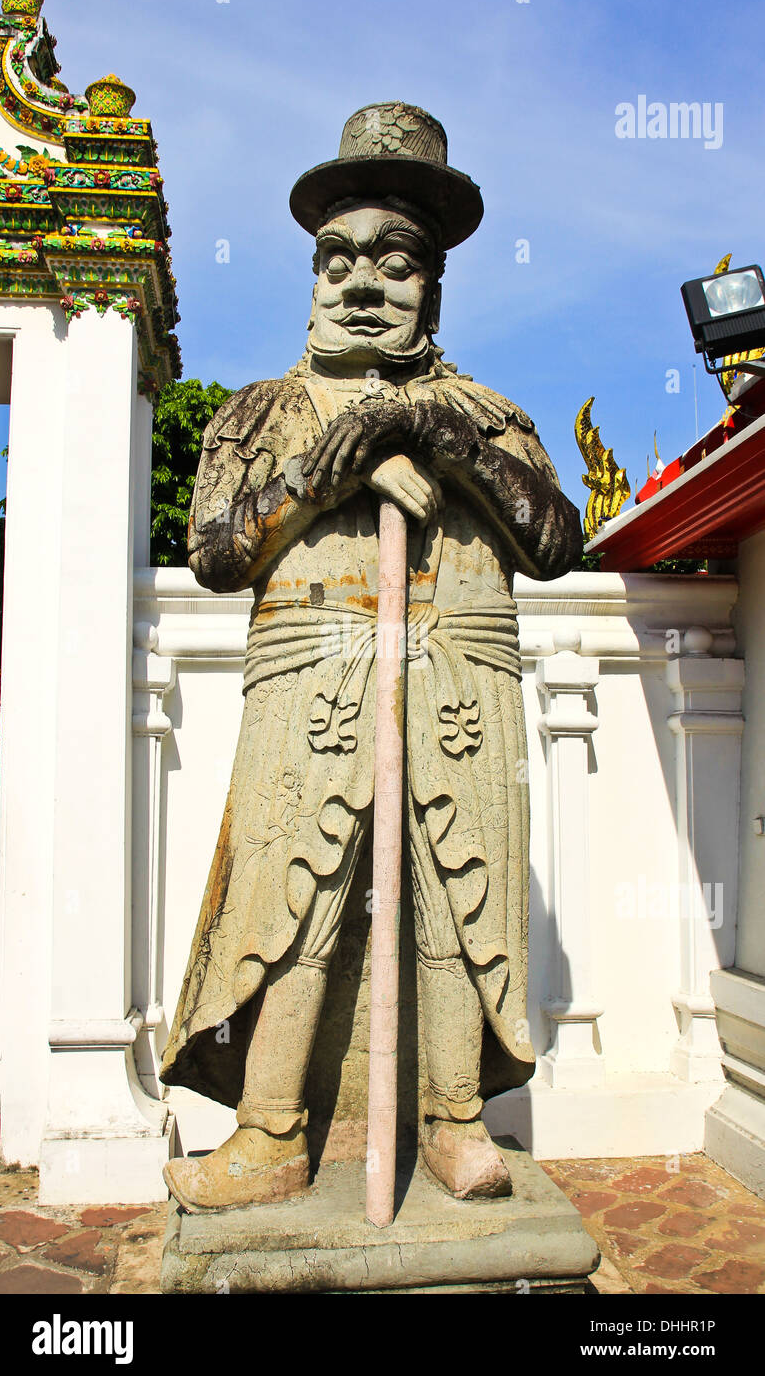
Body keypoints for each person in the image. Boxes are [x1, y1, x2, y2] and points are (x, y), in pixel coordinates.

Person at [160, 102, 583, 1212]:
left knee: (457, 899)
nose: (361, 283)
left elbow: (552, 539)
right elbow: (212, 549)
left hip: (459, 682)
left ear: (435, 283)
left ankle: (452, 1118)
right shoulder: (266, 410)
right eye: (335, 259)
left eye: (395, 261)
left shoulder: (487, 412)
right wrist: (335, 469)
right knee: (294, 904)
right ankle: (270, 1132)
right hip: (312, 676)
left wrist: (436, 437)